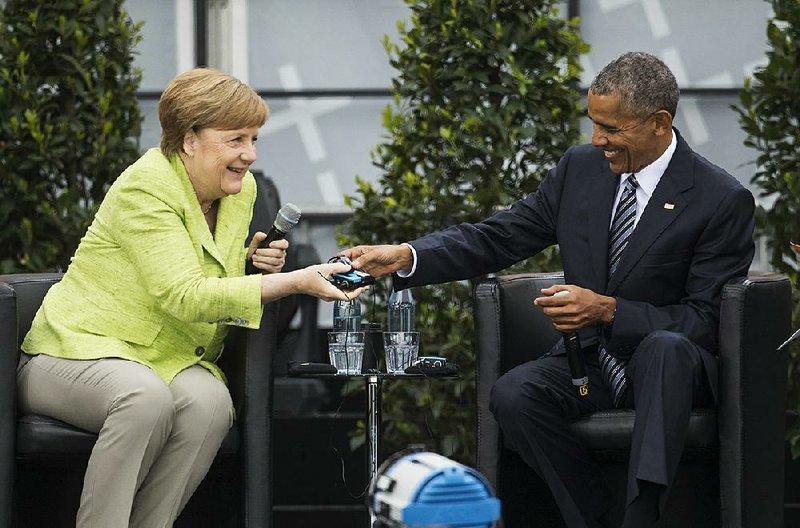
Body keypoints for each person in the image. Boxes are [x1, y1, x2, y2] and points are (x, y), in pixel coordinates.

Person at [341, 52, 754, 528]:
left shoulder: (719, 199)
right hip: (591, 363)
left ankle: (643, 518)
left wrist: (608, 310)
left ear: (659, 123)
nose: (598, 140)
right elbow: (499, 236)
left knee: (666, 349)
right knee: (515, 393)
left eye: (612, 129)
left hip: (669, 366)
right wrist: (408, 254)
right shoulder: (581, 169)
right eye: (594, 124)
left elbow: (704, 321)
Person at [17, 68, 365, 528]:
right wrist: (297, 281)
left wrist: (248, 263)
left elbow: (195, 264)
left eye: (254, 139)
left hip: (168, 357)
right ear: (188, 140)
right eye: (236, 139)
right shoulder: (145, 187)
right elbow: (184, 295)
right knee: (142, 399)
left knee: (210, 405)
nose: (250, 155)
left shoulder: (239, 191)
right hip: (74, 351)